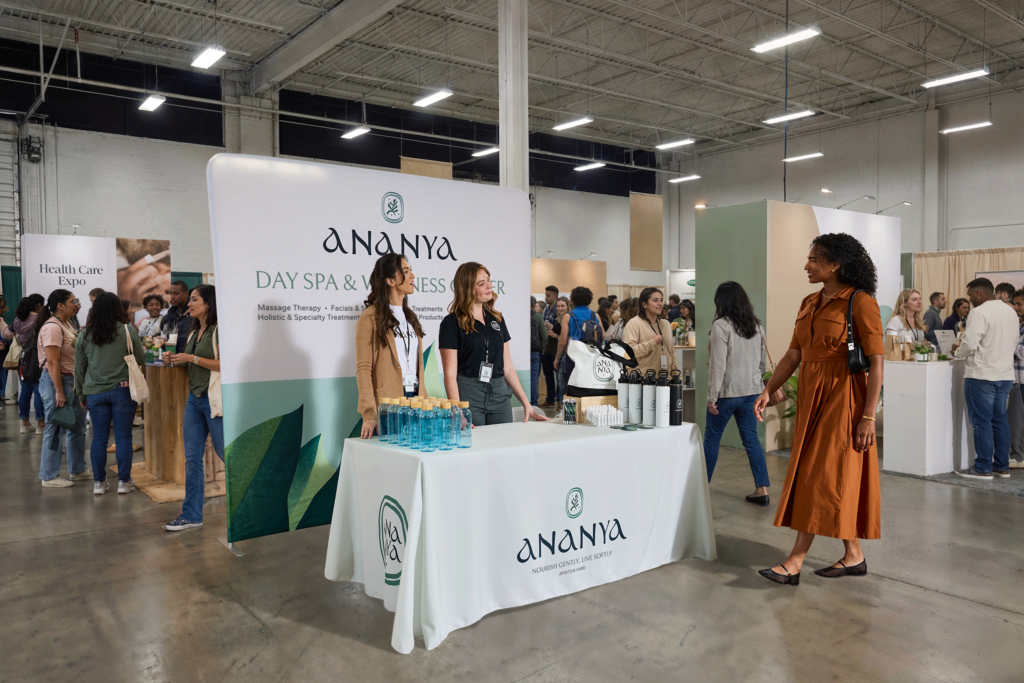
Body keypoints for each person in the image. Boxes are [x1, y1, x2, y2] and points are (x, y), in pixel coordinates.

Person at [754, 233, 884, 585]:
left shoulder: (860, 302)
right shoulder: (809, 302)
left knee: (818, 475)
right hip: (813, 397)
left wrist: (868, 415)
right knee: (829, 474)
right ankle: (853, 555)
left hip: (844, 398)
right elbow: (794, 354)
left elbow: (876, 363)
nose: (807, 265)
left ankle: (795, 561)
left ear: (835, 264)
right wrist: (770, 388)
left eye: (814, 259)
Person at [705, 282, 784, 505]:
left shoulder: (721, 325)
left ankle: (700, 490)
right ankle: (762, 491)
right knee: (751, 440)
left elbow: (718, 365)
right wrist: (755, 385)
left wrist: (712, 397)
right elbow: (761, 364)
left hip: (726, 394)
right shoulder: (756, 326)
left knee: (711, 440)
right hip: (752, 393)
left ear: (722, 301)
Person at [440, 262, 546, 426]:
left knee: (503, 446)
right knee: (475, 446)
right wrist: (457, 410)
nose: (489, 286)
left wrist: (527, 403)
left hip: (499, 393)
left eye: (488, 280)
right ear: (467, 289)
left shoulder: (497, 319)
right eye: (482, 284)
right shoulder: (451, 323)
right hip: (469, 394)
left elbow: (508, 368)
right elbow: (449, 374)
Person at [161, 285, 224, 531]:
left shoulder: (219, 330)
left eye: (194, 299)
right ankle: (191, 515)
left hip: (213, 400)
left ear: (208, 303)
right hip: (194, 400)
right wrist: (174, 360)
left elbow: (224, 364)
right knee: (192, 460)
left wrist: (191, 358)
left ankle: (253, 506)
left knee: (226, 455)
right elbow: (188, 361)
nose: (189, 304)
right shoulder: (193, 330)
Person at [74, 292, 145, 495]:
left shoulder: (84, 334)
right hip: (122, 390)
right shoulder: (126, 330)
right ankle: (124, 482)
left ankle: (99, 483)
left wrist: (81, 395)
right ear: (117, 309)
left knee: (99, 438)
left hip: (94, 392)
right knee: (123, 437)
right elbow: (140, 357)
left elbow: (79, 368)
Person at [952, 278, 1020, 480]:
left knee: (982, 422)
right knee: (1000, 420)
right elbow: (1014, 341)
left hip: (982, 374)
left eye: (970, 295)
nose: (970, 299)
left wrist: (958, 353)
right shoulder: (1010, 311)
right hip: (1005, 374)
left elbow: (971, 342)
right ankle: (1002, 466)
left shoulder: (979, 312)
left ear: (978, 293)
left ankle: (983, 468)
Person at [354, 254, 427, 438]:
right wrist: (369, 413)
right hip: (388, 404)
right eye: (406, 271)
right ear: (390, 280)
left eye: (411, 270)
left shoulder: (410, 317)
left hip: (416, 402)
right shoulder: (370, 317)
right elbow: (364, 369)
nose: (413, 276)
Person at [37, 289, 90, 488]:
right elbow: (52, 362)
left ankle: (77, 469)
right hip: (57, 383)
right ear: (60, 305)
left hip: (72, 382)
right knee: (56, 427)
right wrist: (59, 391)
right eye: (72, 301)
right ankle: (49, 476)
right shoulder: (52, 327)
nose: (76, 304)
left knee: (77, 426)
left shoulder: (66, 323)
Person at [6, 294, 46, 434]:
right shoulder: (41, 320)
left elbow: (6, 334)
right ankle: (41, 423)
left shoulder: (18, 320)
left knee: (25, 391)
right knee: (39, 390)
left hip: (23, 360)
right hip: (39, 358)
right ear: (39, 305)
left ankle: (25, 423)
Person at [622, 288, 679, 378]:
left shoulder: (666, 324)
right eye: (655, 300)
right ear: (644, 304)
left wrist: (676, 376)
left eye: (661, 300)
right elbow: (628, 353)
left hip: (665, 379)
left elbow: (671, 353)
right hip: (644, 380)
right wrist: (652, 342)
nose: (660, 303)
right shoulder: (634, 323)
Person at [554, 287, 606, 386]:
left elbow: (562, 341)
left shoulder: (568, 316)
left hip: (574, 355)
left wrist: (557, 358)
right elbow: (603, 335)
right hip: (592, 354)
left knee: (573, 384)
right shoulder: (595, 315)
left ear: (572, 300)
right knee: (589, 383)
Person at [1009, 288, 1024, 469]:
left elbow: (1021, 352)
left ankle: (1018, 456)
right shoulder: (1021, 325)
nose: (1015, 307)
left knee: (1016, 420)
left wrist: (1007, 340)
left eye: (1019, 304)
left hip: (1021, 379)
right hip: (1017, 378)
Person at [540, 286, 560, 407]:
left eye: (549, 295)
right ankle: (550, 399)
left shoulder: (559, 309)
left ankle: (560, 400)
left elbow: (561, 327)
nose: (546, 297)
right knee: (548, 376)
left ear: (555, 296)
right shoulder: (546, 310)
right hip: (546, 347)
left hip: (556, 348)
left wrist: (553, 330)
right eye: (546, 295)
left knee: (559, 377)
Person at [552, 296, 571, 399]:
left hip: (566, 354)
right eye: (558, 306)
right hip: (563, 354)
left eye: (563, 306)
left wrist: (556, 357)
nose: (560, 308)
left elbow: (562, 341)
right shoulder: (560, 319)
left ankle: (565, 408)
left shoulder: (567, 318)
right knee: (562, 383)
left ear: (568, 306)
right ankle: (563, 408)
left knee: (563, 383)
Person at [529, 297, 546, 407]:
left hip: (522, 352)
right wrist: (542, 350)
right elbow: (544, 336)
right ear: (534, 304)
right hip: (535, 351)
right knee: (534, 378)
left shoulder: (519, 315)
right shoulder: (538, 316)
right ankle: (534, 404)